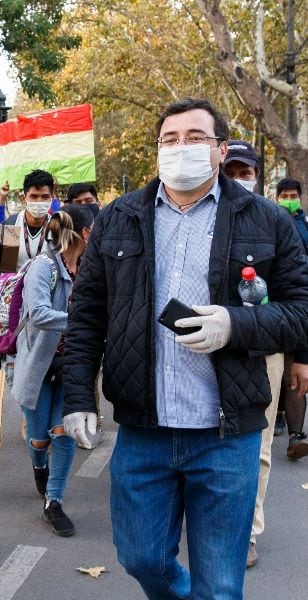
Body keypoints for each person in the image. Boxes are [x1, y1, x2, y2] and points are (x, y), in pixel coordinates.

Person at [61, 98, 308, 599]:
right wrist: (78, 398)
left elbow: (301, 311)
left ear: (220, 151)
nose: (181, 148)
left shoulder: (267, 220)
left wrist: (235, 325)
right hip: (143, 431)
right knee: (141, 557)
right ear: (157, 152)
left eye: (195, 137)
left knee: (219, 586)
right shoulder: (119, 218)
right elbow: (87, 314)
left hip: (226, 435)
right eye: (170, 139)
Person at [221, 143, 300, 567]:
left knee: (260, 447)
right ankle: (207, 520)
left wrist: (300, 357)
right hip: (207, 351)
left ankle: (247, 533)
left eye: (244, 171)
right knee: (204, 443)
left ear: (257, 174)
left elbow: (299, 295)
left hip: (262, 352)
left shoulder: (274, 222)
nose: (238, 178)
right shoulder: (197, 217)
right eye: (229, 170)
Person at [11, 206, 93, 538]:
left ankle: (54, 502)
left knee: (64, 433)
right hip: (39, 366)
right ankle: (38, 463)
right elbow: (39, 314)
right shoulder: (42, 266)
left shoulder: (91, 268)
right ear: (86, 233)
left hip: (74, 366)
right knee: (39, 437)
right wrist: (82, 322)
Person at [274, 178, 308, 462]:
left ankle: (296, 436)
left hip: (296, 309)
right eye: (283, 195)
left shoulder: (305, 226)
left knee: (293, 373)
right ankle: (277, 418)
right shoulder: (267, 222)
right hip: (268, 310)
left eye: (292, 195)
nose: (288, 199)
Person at [0, 169, 54, 280]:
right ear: (24, 198)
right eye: (34, 196)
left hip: (46, 293)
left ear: (51, 198)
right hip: (12, 293)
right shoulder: (11, 226)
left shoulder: (57, 228)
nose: (39, 201)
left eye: (45, 197)